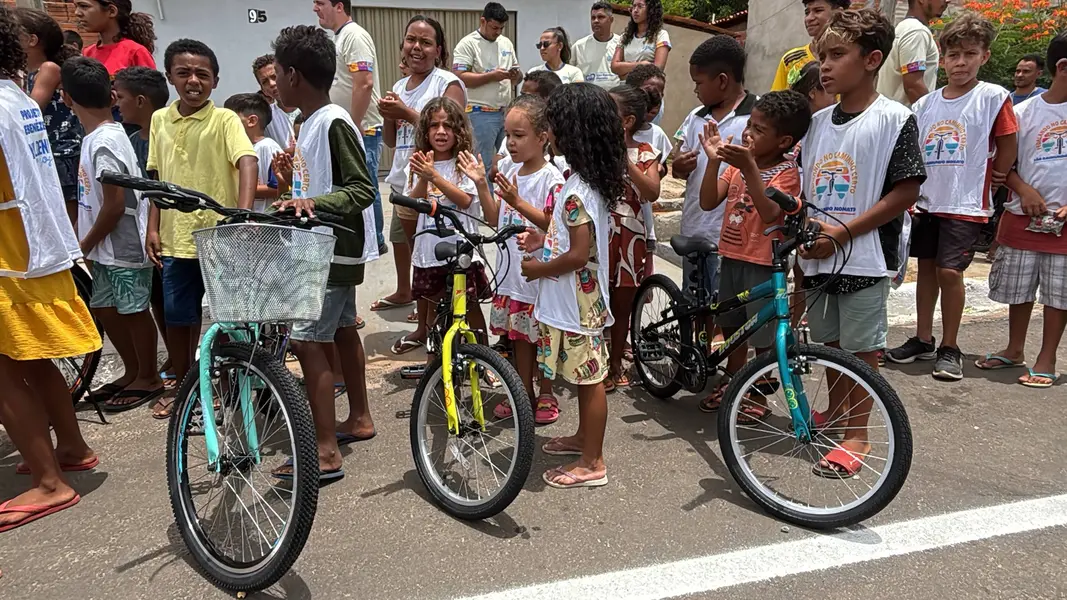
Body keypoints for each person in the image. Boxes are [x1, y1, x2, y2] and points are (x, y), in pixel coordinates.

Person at [798, 8, 925, 477]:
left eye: (837, 55)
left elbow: (906, 191)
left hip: (865, 258)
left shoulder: (895, 119)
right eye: (822, 56)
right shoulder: (817, 123)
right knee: (831, 345)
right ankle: (837, 413)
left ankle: (858, 434)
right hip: (819, 257)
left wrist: (843, 234)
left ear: (872, 60)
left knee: (862, 350)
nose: (825, 66)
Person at [0, 5, 100, 531]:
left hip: (11, 254)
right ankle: (72, 447)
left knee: (4, 371)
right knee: (34, 359)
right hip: (34, 246)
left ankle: (48, 483)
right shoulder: (15, 97)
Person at [268, 25, 379, 481]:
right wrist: (289, 186)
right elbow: (312, 186)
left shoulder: (333, 121)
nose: (275, 82)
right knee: (342, 331)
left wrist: (313, 202)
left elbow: (361, 188)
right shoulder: (309, 123)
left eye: (277, 73)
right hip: (324, 247)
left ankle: (325, 450)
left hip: (330, 250)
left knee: (308, 341)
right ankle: (360, 418)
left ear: (294, 75)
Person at [887, 13, 1018, 381]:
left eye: (970, 54)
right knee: (926, 270)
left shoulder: (992, 97)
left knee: (949, 271)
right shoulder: (925, 105)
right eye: (954, 55)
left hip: (965, 201)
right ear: (942, 59)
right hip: (928, 200)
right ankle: (923, 338)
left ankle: (950, 346)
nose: (961, 63)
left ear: (984, 57)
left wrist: (999, 175)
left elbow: (1008, 139)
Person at [521, 83, 626, 488]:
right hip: (578, 299)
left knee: (590, 378)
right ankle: (584, 439)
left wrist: (539, 269)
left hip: (577, 302)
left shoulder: (576, 192)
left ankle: (593, 462)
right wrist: (544, 240)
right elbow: (571, 238)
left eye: (554, 126)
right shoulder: (582, 182)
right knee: (584, 377)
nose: (549, 133)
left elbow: (580, 254)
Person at [146, 39, 258, 418]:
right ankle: (186, 388)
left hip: (220, 238)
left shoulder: (224, 119)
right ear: (170, 77)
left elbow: (247, 161)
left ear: (215, 81)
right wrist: (152, 227)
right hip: (176, 239)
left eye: (202, 74)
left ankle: (230, 385)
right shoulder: (160, 120)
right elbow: (157, 180)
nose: (193, 81)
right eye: (184, 73)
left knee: (230, 319)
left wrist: (242, 215)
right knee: (179, 319)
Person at [695, 91, 809, 414]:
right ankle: (734, 382)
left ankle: (757, 395)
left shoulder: (786, 173)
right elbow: (707, 201)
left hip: (763, 263)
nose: (748, 134)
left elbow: (770, 213)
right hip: (732, 256)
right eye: (750, 125)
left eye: (759, 130)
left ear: (784, 141)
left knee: (762, 335)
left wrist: (748, 167)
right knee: (733, 328)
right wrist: (714, 161)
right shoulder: (737, 167)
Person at [62, 56, 162, 412]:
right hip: (104, 246)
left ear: (66, 97)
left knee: (133, 310)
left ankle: (148, 376)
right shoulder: (98, 137)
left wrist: (85, 243)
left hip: (122, 243)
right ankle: (133, 370)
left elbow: (115, 204)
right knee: (104, 307)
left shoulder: (105, 141)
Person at [458, 95, 564, 423]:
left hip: (540, 274)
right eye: (507, 134)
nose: (510, 143)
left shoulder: (552, 178)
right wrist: (481, 184)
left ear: (542, 137)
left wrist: (517, 201)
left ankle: (547, 391)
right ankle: (523, 392)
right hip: (512, 274)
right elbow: (494, 218)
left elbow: (556, 225)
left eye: (519, 135)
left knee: (543, 337)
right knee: (518, 337)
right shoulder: (507, 169)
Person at [977, 31, 1067, 389]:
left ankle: (1047, 357)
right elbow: (1003, 164)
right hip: (1022, 216)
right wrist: (1023, 189)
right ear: (1063, 67)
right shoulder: (1023, 112)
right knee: (1019, 288)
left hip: (1063, 223)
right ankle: (1014, 349)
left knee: (1059, 293)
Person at [375, 15, 465, 354]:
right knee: (418, 260)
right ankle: (424, 325)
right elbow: (390, 140)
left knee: (433, 263)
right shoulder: (400, 87)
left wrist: (406, 112)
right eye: (411, 40)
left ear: (438, 50)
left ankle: (437, 329)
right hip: (405, 184)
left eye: (426, 42)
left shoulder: (447, 83)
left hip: (436, 186)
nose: (417, 47)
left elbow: (455, 130)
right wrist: (389, 115)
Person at [672, 35, 757, 322]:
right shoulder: (696, 117)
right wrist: (679, 166)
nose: (695, 90)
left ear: (722, 80)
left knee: (729, 313)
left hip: (735, 234)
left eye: (698, 82)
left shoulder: (756, 118)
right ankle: (695, 350)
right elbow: (677, 162)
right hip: (696, 229)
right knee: (695, 308)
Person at [404, 98, 491, 363]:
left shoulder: (464, 163)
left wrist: (435, 177)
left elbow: (464, 200)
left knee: (470, 308)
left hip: (461, 251)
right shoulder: (419, 162)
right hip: (429, 252)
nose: (441, 132)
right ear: (425, 131)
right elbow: (414, 203)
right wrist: (424, 177)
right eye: (434, 125)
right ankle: (435, 365)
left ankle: (484, 361)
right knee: (434, 311)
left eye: (448, 126)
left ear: (459, 131)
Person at [113, 65, 171, 382]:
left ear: (140, 101)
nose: (116, 103)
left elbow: (159, 190)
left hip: (164, 230)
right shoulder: (132, 140)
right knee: (157, 297)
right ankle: (174, 357)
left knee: (170, 298)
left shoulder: (166, 138)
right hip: (145, 232)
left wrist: (154, 228)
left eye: (120, 97)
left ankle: (182, 361)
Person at [315, 0, 386, 255]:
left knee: (365, 187)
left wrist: (354, 125)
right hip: (349, 128)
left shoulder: (354, 35)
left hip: (362, 129)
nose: (315, 8)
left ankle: (375, 240)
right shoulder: (339, 37)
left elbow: (364, 83)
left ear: (339, 6)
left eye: (320, 2)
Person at [16, 8, 83, 226]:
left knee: (69, 215)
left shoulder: (48, 69)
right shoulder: (28, 73)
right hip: (47, 151)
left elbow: (33, 108)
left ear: (32, 40)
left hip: (63, 150)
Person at [453, 2, 521, 173]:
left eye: (501, 28)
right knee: (482, 164)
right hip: (480, 113)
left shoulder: (506, 43)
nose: (498, 32)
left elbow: (517, 74)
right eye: (494, 28)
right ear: (483, 21)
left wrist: (516, 76)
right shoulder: (467, 44)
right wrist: (491, 76)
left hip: (505, 112)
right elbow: (459, 77)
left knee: (510, 162)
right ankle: (483, 192)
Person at [877, 0, 947, 105]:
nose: (947, 1)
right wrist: (931, 113)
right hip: (907, 114)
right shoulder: (916, 32)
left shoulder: (904, 27)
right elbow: (913, 86)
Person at [770, 0, 849, 92]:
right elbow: (776, 99)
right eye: (807, 13)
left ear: (839, 13)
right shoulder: (792, 60)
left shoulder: (852, 57)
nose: (809, 18)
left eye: (818, 10)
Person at [224, 93, 283, 212]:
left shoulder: (268, 147)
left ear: (252, 121)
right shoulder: (235, 149)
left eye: (230, 119)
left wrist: (242, 188)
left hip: (261, 219)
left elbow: (278, 187)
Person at [74, 0, 156, 75]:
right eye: (76, 6)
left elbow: (151, 85)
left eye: (84, 6)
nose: (77, 12)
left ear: (111, 11)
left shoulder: (135, 52)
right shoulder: (87, 53)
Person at [611, 0, 670, 78]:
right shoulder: (625, 36)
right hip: (625, 86)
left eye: (640, 6)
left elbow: (657, 69)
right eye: (634, 6)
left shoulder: (661, 35)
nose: (635, 10)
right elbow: (614, 66)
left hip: (647, 85)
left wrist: (625, 73)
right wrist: (641, 64)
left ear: (651, 10)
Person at [252, 54, 299, 151]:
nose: (272, 84)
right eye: (265, 82)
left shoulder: (310, 107)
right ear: (263, 90)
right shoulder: (266, 118)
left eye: (274, 76)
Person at [572, 2, 620, 89]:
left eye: (601, 17)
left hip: (614, 95)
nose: (596, 21)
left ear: (611, 19)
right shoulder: (579, 46)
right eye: (593, 18)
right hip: (588, 95)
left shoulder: (621, 44)